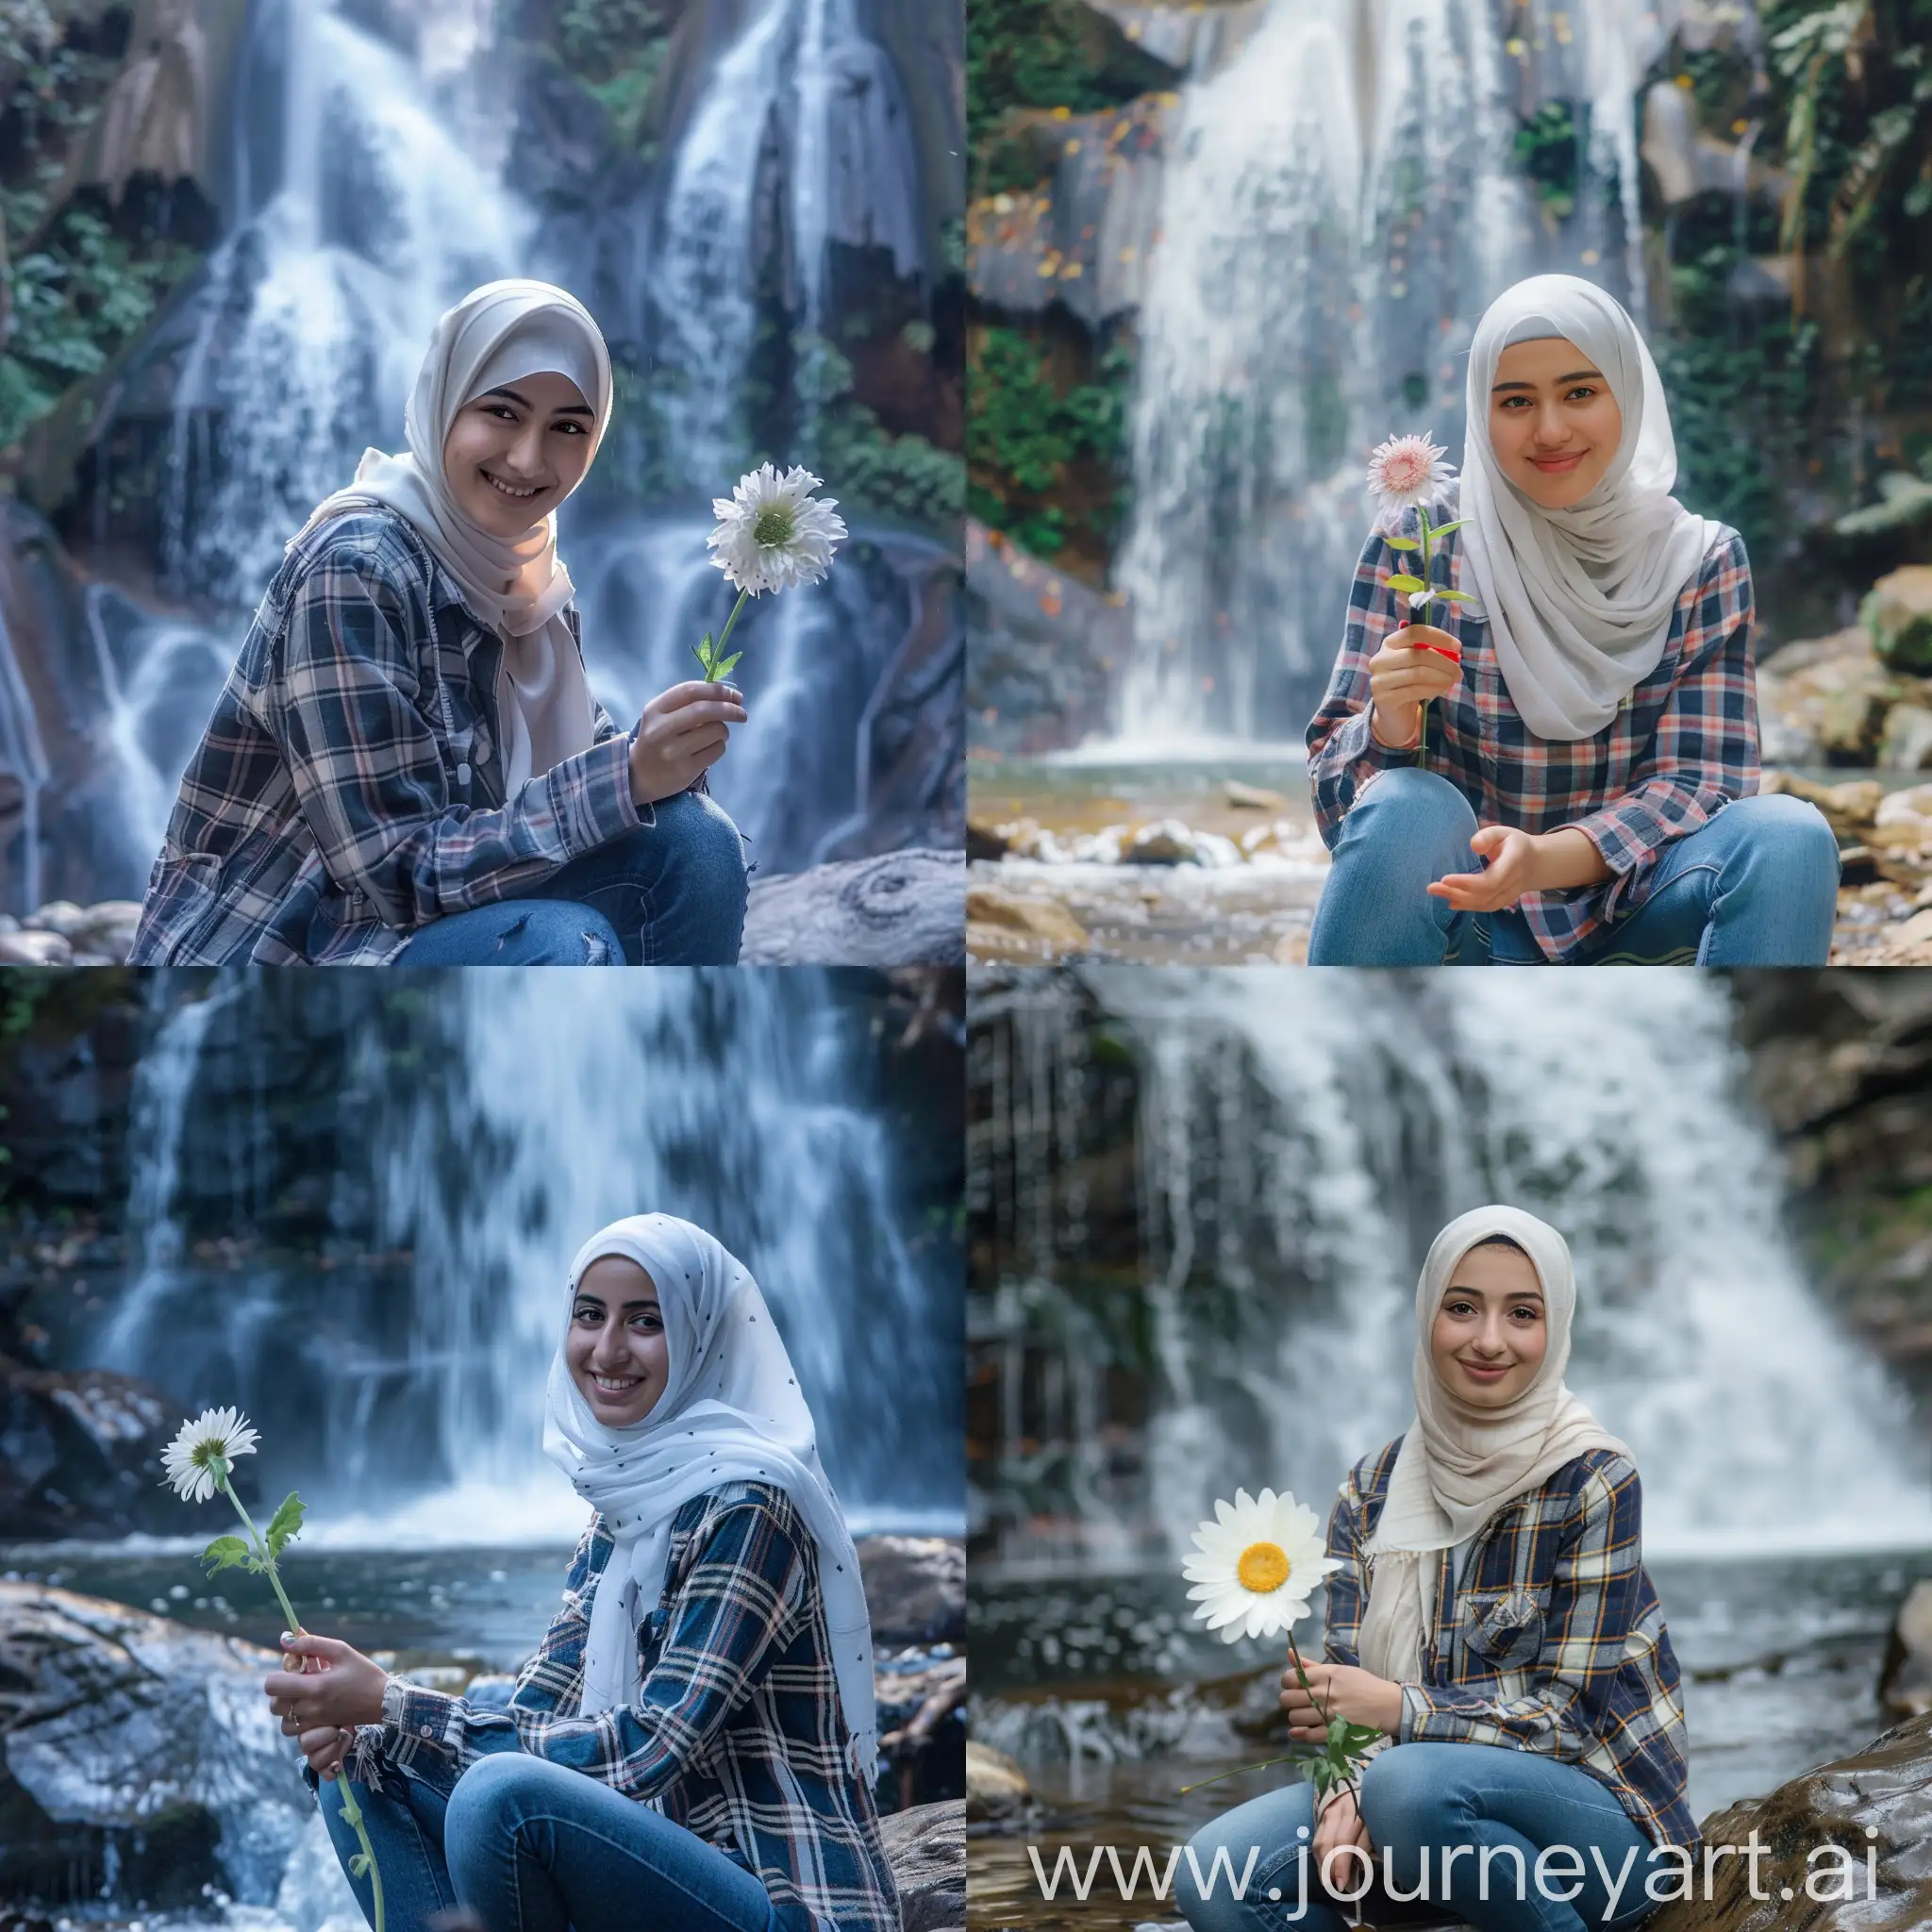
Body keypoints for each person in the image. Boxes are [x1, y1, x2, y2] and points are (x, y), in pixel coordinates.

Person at [260, 1213, 898, 1932]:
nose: (607, 1349)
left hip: (783, 1899)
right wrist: (366, 1721)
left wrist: (397, 1702)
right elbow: (547, 1706)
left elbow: (649, 1747)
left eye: (645, 1321)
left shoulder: (752, 1507)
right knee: (365, 1770)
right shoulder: (624, 1508)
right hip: (662, 1867)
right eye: (589, 1315)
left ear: (700, 1334)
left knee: (499, 1797)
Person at [129, 280, 750, 967]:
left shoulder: (526, 579)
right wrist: (627, 776)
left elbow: (588, 774)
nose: (527, 459)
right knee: (555, 943)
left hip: (439, 919)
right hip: (297, 944)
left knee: (697, 842)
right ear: (445, 402)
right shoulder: (356, 570)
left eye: (568, 427)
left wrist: (664, 759)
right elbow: (395, 873)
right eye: (502, 413)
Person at [1176, 1206, 1694, 1932]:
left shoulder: (1595, 1478)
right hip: (1420, 1821)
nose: (1489, 1340)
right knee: (1213, 1872)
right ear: (1426, 1316)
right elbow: (1341, 1708)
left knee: (1409, 1785)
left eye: (1522, 1313)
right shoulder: (1370, 1488)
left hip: (1604, 1828)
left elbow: (1568, 1723)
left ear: (1557, 1327)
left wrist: (1397, 1709)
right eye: (1461, 1307)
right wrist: (1341, 1796)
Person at [1305, 275, 1839, 966]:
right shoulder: (1423, 545)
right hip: (1469, 926)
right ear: (1480, 412)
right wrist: (1390, 726)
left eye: (1580, 393)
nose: (1551, 429)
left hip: (1643, 922)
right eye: (1516, 401)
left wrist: (1543, 860)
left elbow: (1703, 782)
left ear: (1628, 394)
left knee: (1790, 836)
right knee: (1407, 805)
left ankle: (1752, 1063)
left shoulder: (1700, 559)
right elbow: (1336, 807)